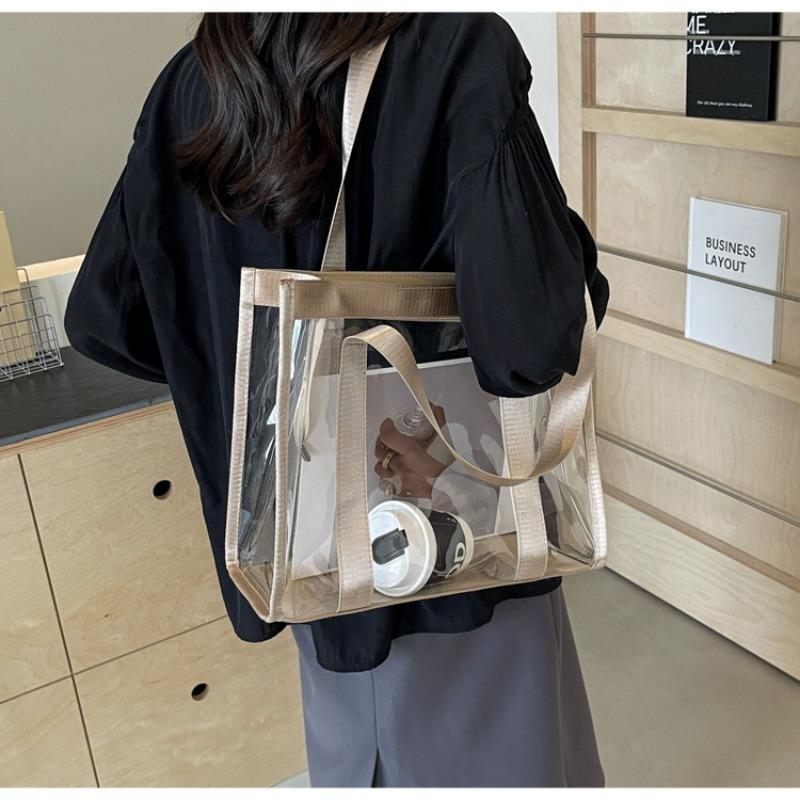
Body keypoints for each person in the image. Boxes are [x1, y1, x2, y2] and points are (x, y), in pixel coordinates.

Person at [65, 12, 610, 788]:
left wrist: (256, 377)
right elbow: (528, 344)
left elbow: (104, 321)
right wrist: (563, 246)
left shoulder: (192, 82)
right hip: (464, 555)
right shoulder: (455, 50)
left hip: (308, 553)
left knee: (360, 759)